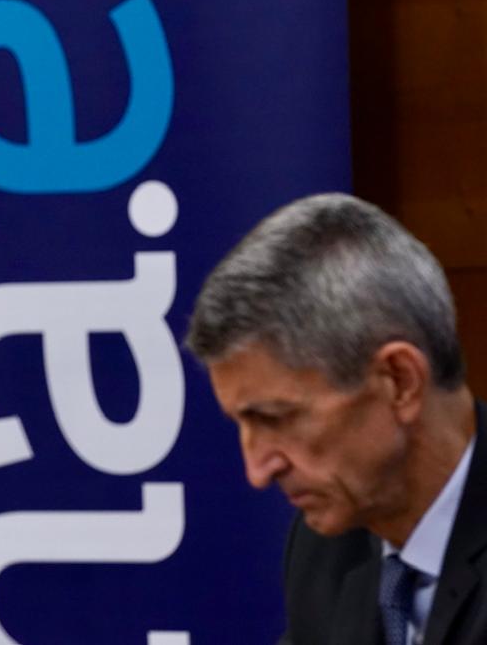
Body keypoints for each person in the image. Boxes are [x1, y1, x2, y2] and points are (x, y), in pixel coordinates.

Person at [186, 193, 487, 645]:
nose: (257, 471)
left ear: (399, 381)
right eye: (241, 425)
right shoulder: (328, 545)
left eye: (277, 418)